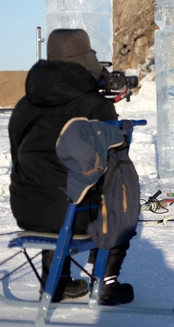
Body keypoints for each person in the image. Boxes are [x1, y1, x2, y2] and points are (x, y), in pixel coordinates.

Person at [9, 29, 134, 305]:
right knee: (119, 185)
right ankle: (107, 282)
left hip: (26, 210)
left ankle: (57, 282)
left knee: (54, 186)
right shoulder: (95, 106)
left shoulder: (24, 106)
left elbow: (18, 156)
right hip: (73, 214)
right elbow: (111, 164)